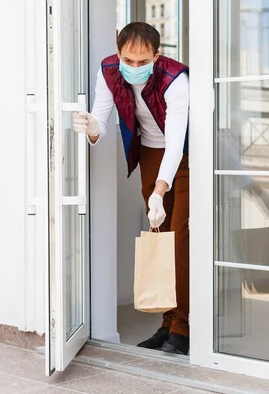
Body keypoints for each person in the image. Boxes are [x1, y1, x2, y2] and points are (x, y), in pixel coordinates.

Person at [72, 22, 190, 355]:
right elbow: (101, 124)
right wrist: (91, 127)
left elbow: (177, 142)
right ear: (119, 51)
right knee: (161, 238)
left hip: (184, 155)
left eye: (143, 62)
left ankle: (182, 329)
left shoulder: (175, 78)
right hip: (151, 153)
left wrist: (159, 189)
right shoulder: (109, 71)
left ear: (157, 55)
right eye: (129, 60)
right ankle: (167, 324)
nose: (135, 68)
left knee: (179, 238)